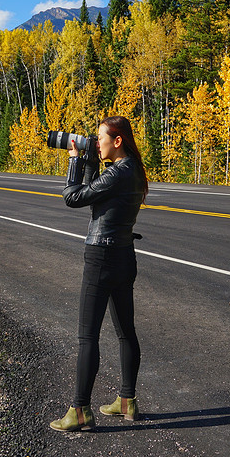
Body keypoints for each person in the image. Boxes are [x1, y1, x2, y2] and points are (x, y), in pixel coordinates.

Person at [49, 115, 148, 432]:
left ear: (117, 140)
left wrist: (77, 161)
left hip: (101, 257)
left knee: (87, 336)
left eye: (100, 137)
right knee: (125, 331)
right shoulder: (131, 169)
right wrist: (92, 161)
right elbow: (93, 194)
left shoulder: (117, 173)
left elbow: (73, 197)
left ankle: (79, 410)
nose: (97, 142)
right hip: (123, 256)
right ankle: (127, 400)